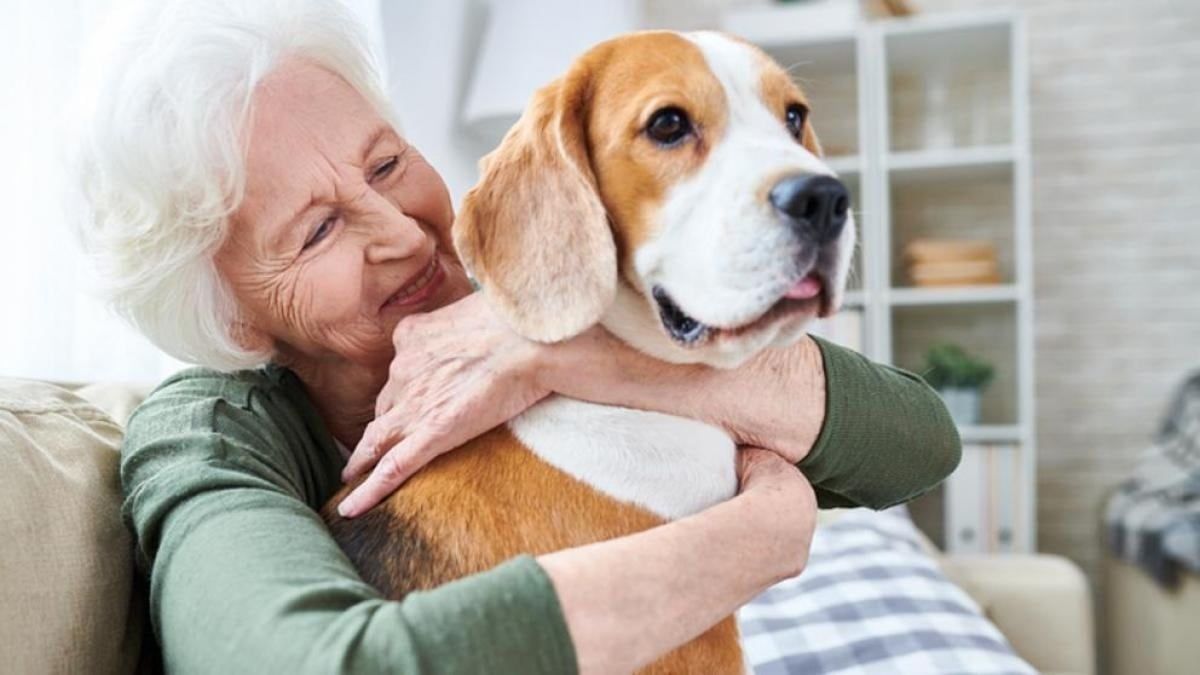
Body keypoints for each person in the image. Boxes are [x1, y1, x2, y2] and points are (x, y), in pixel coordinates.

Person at [76, 1, 960, 672]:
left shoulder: (558, 290)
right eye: (317, 231)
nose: (400, 231)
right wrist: (759, 538)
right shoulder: (207, 433)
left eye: (387, 163)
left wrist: (558, 350)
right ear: (233, 313)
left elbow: (919, 442)